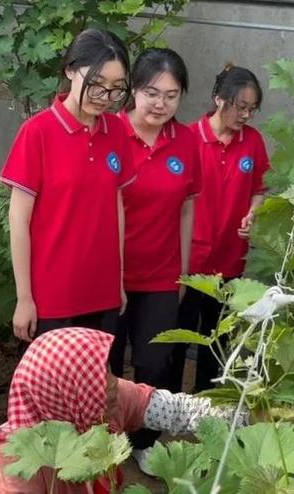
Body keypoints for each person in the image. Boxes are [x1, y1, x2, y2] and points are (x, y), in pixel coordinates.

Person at [0, 327, 245, 493]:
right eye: (93, 377)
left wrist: (242, 416)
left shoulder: (101, 402)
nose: (113, 382)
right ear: (65, 392)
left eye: (106, 368)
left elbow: (176, 410)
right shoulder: (11, 470)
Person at [1, 29, 134, 343]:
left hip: (102, 292)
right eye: (97, 85)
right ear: (71, 70)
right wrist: (25, 298)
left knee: (98, 388)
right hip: (52, 295)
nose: (105, 97)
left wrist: (118, 280)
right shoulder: (37, 133)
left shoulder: (115, 131)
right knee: (50, 388)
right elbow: (18, 221)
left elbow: (116, 207)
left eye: (116, 89)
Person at [107, 47, 202, 472]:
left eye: (172, 95)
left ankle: (144, 440)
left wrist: (182, 271)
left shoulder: (186, 142)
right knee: (105, 362)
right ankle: (102, 442)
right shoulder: (109, 132)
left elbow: (187, 208)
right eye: (151, 92)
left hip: (162, 276)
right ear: (132, 91)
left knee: (154, 361)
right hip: (107, 273)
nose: (160, 104)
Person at [174, 65, 271, 393]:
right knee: (181, 334)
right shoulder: (188, 138)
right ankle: (172, 402)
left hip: (231, 258)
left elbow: (260, 188)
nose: (245, 115)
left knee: (217, 339)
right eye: (240, 107)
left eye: (251, 109)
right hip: (190, 260)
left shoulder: (253, 143)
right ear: (218, 99)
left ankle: (206, 405)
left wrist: (253, 214)